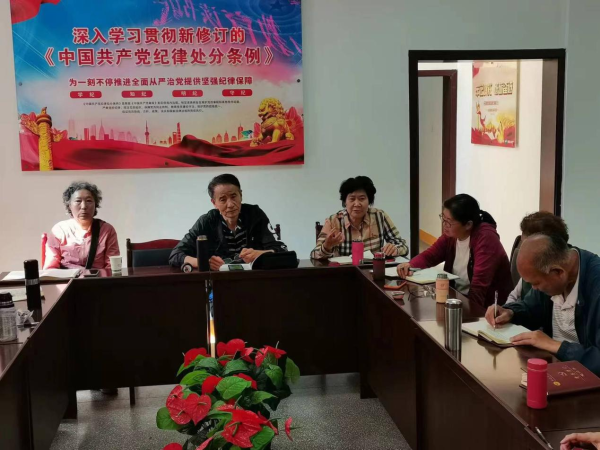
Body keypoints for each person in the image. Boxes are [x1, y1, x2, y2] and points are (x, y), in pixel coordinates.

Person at [486, 234, 600, 376]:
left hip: (587, 380)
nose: (534, 288)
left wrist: (556, 346)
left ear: (559, 272)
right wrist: (510, 312)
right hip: (553, 367)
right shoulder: (552, 272)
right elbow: (531, 308)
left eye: (536, 283)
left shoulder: (595, 285)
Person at [397, 194, 512, 308]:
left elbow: (479, 287)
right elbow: (430, 256)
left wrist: (468, 314)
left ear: (468, 225)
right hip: (457, 298)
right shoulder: (451, 236)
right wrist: (410, 265)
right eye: (443, 218)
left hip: (490, 308)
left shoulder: (486, 238)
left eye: (449, 222)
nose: (444, 225)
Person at [169, 174, 287, 271]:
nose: (230, 204)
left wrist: (260, 254)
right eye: (223, 199)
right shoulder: (207, 222)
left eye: (233, 196)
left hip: (253, 280)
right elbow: (176, 254)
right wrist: (203, 262)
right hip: (218, 282)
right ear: (214, 203)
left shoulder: (255, 215)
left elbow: (281, 249)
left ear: (241, 195)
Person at [311, 176, 408, 259]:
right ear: (345, 202)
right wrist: (327, 246)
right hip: (344, 272)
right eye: (352, 199)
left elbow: (403, 246)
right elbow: (315, 254)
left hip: (373, 271)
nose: (357, 204)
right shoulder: (333, 220)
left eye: (362, 198)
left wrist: (395, 249)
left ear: (369, 201)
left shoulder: (379, 216)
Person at [44, 181, 120, 270]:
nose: (84, 206)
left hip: (97, 278)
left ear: (95, 205)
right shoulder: (59, 230)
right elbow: (51, 268)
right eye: (78, 201)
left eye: (89, 201)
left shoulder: (107, 230)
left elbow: (112, 267)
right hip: (67, 278)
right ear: (69, 206)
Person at [506, 211, 570, 304]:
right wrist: (507, 310)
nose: (522, 251)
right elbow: (515, 297)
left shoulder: (551, 275)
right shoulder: (531, 271)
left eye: (527, 246)